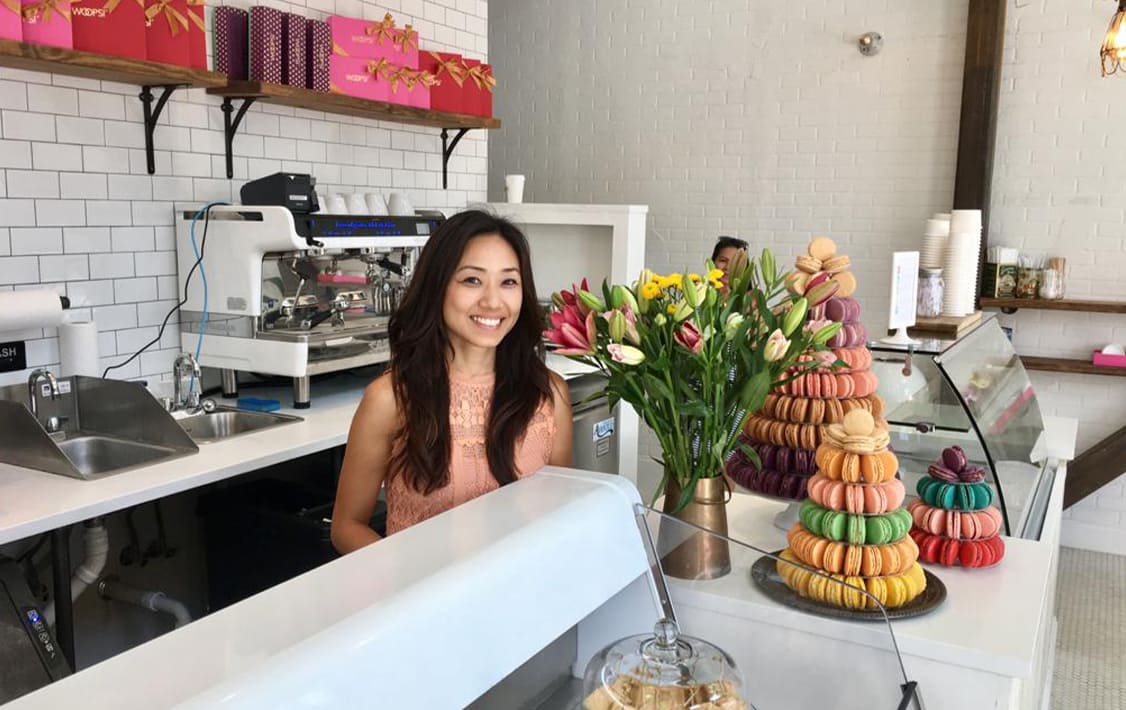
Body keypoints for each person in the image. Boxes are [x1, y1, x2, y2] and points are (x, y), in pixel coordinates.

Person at [330, 210, 573, 553]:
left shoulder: (549, 396)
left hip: (522, 595)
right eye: (472, 280)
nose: (492, 301)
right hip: (423, 595)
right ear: (438, 286)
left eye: (508, 282)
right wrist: (412, 581)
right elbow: (347, 527)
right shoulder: (390, 399)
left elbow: (561, 514)